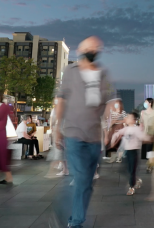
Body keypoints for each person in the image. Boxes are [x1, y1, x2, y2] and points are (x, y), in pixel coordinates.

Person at [51, 36, 117, 228]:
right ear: (82, 49)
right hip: (73, 133)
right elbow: (62, 100)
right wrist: (57, 127)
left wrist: (107, 129)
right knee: (80, 178)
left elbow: (107, 103)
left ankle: (71, 215)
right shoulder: (70, 71)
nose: (95, 49)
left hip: (94, 136)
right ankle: (74, 221)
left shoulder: (103, 73)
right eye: (91, 46)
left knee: (87, 182)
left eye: (98, 46)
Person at [111, 111, 146, 195]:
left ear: (134, 120)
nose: (127, 118)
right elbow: (118, 133)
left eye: (129, 117)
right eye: (127, 117)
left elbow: (142, 137)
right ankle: (137, 180)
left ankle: (131, 187)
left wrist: (148, 138)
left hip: (134, 152)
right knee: (125, 170)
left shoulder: (136, 129)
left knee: (132, 170)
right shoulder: (126, 128)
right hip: (127, 152)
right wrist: (113, 139)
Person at [140, 98, 154, 173]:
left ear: (150, 103)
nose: (145, 103)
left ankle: (150, 165)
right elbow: (141, 123)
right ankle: (151, 163)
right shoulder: (142, 112)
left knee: (150, 149)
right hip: (145, 133)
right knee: (148, 150)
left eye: (146, 102)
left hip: (153, 132)